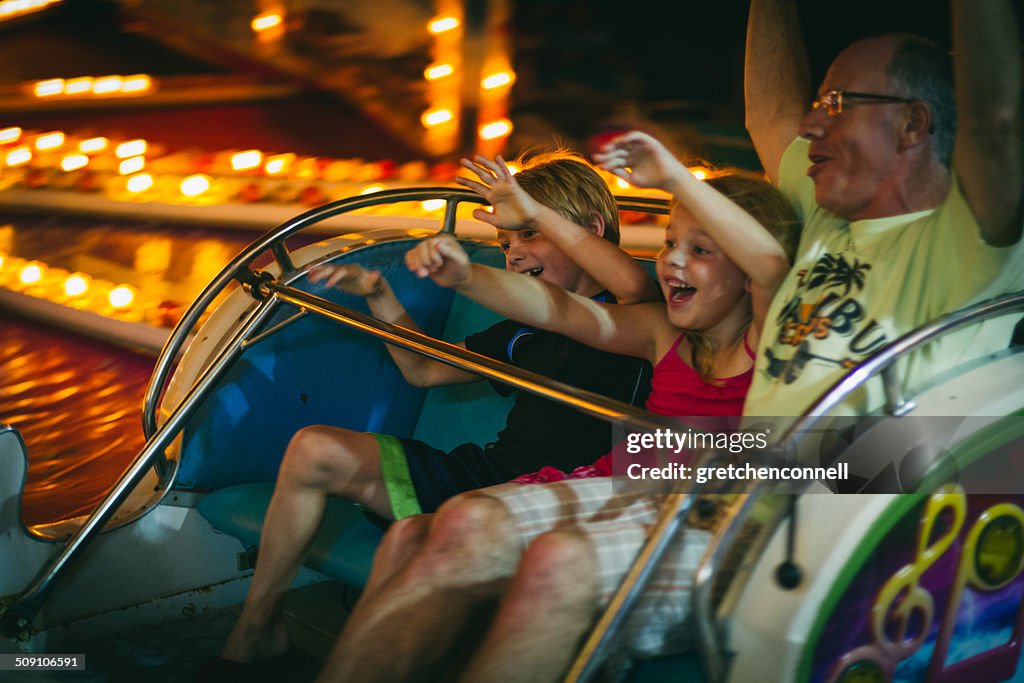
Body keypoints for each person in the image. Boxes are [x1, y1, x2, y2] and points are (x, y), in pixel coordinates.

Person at [317, 0, 1023, 681]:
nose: (810, 122)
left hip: (835, 506)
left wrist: (727, 452)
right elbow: (767, 110)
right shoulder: (822, 214)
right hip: (727, 469)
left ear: (913, 126)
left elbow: (995, 120)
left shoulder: (968, 238)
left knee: (563, 561)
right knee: (463, 521)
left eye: (837, 104)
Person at [317, 136, 800, 682]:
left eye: (702, 250)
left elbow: (770, 267)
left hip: (704, 506)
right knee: (431, 529)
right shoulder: (661, 331)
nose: (671, 263)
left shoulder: (775, 341)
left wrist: (673, 179)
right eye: (668, 244)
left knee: (550, 560)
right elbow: (560, 312)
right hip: (626, 483)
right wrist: (466, 277)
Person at [213, 151, 654, 669]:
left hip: (561, 494)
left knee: (411, 542)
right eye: (505, 242)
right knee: (315, 448)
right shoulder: (525, 327)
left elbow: (632, 286)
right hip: (493, 474)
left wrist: (535, 211)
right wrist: (379, 294)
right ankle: (255, 632)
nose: (512, 254)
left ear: (590, 231)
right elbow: (424, 371)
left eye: (528, 234)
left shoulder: (641, 314)